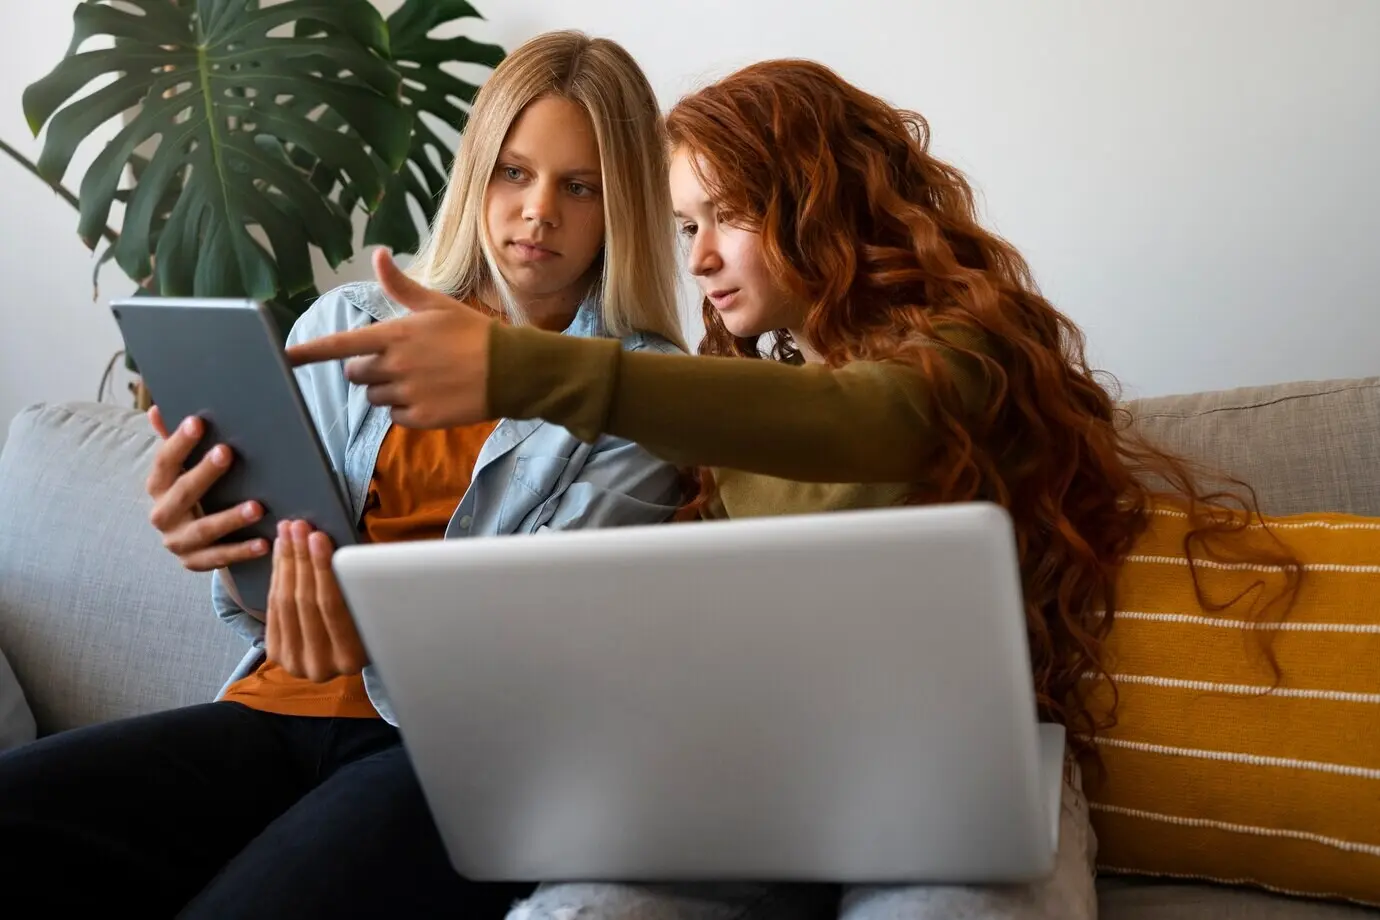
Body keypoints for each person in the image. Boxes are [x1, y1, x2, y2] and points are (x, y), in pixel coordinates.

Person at [288, 58, 1302, 920]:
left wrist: (520, 368)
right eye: (688, 224)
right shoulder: (732, 403)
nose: (702, 257)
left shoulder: (972, 355)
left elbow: (868, 421)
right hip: (756, 772)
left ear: (831, 196)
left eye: (732, 213)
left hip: (954, 777)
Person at [0, 31, 690, 917]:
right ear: (477, 172)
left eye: (579, 186)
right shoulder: (349, 320)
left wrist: (362, 624)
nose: (538, 212)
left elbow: (536, 640)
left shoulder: (646, 392)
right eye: (514, 173)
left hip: (447, 753)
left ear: (622, 204)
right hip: (270, 710)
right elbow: (272, 595)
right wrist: (213, 533)